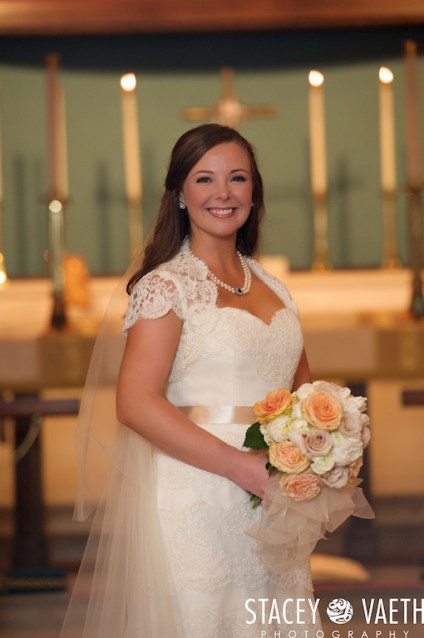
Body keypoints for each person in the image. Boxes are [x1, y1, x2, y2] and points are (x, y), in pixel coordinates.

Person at [61, 123, 321, 637]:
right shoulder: (167, 286)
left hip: (273, 496)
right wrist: (240, 467)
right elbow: (135, 403)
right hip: (199, 494)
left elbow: (302, 394)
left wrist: (323, 447)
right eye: (205, 179)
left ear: (254, 191)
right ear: (180, 195)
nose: (223, 193)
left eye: (237, 178)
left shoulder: (272, 286)